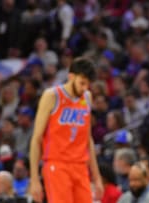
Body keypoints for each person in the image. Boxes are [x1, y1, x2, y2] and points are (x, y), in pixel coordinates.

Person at [29, 57, 104, 203]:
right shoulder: (52, 96)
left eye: (88, 84)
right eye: (82, 83)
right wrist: (34, 180)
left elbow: (88, 139)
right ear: (71, 76)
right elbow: (36, 138)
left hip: (81, 166)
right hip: (57, 164)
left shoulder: (87, 97)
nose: (85, 88)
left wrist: (97, 178)